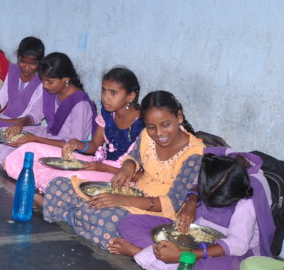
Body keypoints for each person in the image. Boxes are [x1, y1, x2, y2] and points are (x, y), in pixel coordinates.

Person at [43, 91, 205, 248]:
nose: (159, 133)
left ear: (179, 117)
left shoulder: (194, 152)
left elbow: (173, 203)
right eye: (151, 127)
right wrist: (129, 166)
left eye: (166, 125)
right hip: (134, 191)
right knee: (60, 185)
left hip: (159, 211)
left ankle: (74, 215)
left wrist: (122, 200)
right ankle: (80, 218)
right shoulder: (146, 135)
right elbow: (135, 156)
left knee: (107, 220)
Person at [110, 154, 274, 270]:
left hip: (224, 250)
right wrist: (192, 201)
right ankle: (176, 263)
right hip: (194, 235)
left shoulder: (247, 201)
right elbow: (197, 180)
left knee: (223, 269)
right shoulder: (218, 166)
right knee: (129, 224)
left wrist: (183, 255)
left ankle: (140, 253)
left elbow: (238, 245)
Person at [3, 65, 142, 191]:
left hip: (120, 175)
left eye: (113, 93)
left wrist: (103, 168)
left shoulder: (144, 124)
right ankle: (40, 181)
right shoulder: (107, 114)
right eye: (103, 91)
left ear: (130, 96)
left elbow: (142, 174)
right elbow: (94, 146)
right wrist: (77, 143)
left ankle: (42, 183)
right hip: (98, 163)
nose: (105, 98)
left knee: (69, 176)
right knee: (31, 149)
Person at [0, 52, 96, 168]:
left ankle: (15, 163)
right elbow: (35, 115)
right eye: (43, 81)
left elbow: (75, 143)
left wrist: (36, 140)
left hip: (63, 148)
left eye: (50, 82)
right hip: (46, 135)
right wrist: (20, 124)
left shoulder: (80, 104)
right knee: (2, 136)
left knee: (27, 148)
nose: (45, 86)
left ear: (66, 80)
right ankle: (14, 163)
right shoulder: (51, 91)